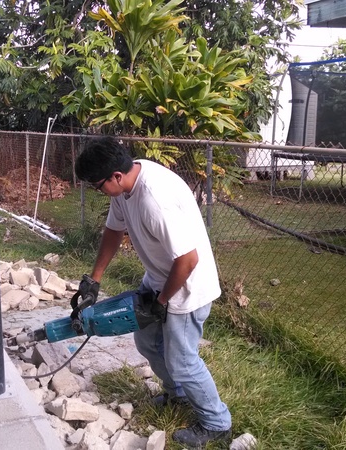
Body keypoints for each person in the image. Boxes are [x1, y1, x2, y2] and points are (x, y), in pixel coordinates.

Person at [74, 136, 232, 447]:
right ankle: (179, 396)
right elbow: (114, 231)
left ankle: (217, 422)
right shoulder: (126, 184)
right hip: (160, 277)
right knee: (147, 341)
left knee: (182, 360)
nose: (98, 191)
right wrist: (94, 279)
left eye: (97, 185)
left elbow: (188, 259)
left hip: (186, 288)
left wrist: (161, 302)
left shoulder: (153, 199)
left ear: (116, 177)